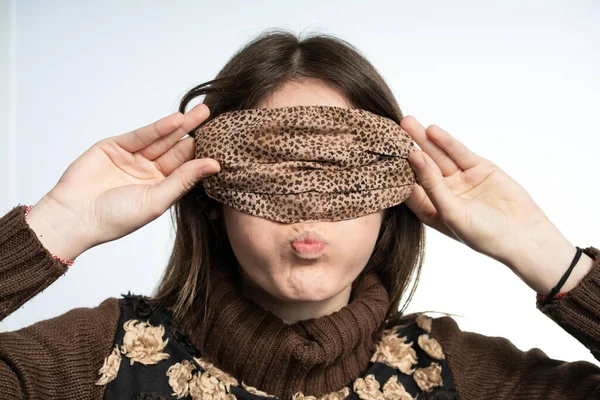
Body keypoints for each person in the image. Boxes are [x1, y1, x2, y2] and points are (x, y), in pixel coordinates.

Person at [1, 29, 599, 400]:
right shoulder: (86, 363)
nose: (309, 206)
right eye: (273, 166)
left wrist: (547, 255)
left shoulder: (466, 379)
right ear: (213, 196)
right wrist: (55, 225)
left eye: (342, 170)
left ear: (394, 197)